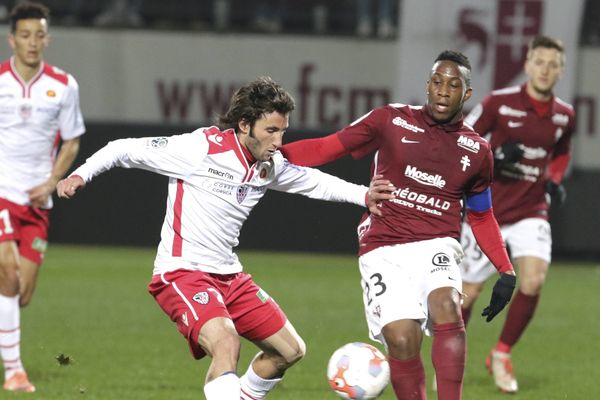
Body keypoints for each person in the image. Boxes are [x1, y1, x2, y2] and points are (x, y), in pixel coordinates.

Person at [56, 77, 392, 399]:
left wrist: (364, 196)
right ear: (245, 125)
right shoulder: (200, 149)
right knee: (226, 343)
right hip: (181, 273)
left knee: (289, 351)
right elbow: (122, 149)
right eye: (271, 131)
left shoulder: (268, 165)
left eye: (282, 132)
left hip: (229, 276)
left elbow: (313, 182)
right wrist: (81, 174)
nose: (278, 142)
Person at [281, 50, 517, 400]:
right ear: (427, 85)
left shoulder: (477, 151)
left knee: (447, 308)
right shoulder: (390, 120)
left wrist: (505, 270)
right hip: (383, 246)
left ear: (466, 94)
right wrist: (271, 154)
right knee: (403, 339)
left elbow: (481, 214)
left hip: (437, 242)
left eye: (453, 85)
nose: (443, 91)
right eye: (437, 82)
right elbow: (330, 147)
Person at [458, 35, 575, 394]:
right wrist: (496, 153)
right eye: (539, 61)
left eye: (552, 64)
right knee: (468, 294)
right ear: (527, 64)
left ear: (560, 70)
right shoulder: (499, 103)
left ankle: (501, 353)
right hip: (486, 209)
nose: (545, 69)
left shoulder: (564, 115)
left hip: (531, 210)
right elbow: (463, 138)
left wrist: (554, 179)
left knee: (534, 280)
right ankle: (453, 359)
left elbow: (561, 152)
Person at [0, 2, 85, 393]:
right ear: (11, 38)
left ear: (47, 38)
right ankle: (14, 371)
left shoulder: (64, 85)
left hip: (36, 203)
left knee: (23, 293)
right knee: (8, 276)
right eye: (25, 35)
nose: (32, 42)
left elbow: (72, 140)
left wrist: (52, 181)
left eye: (39, 35)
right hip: (1, 192)